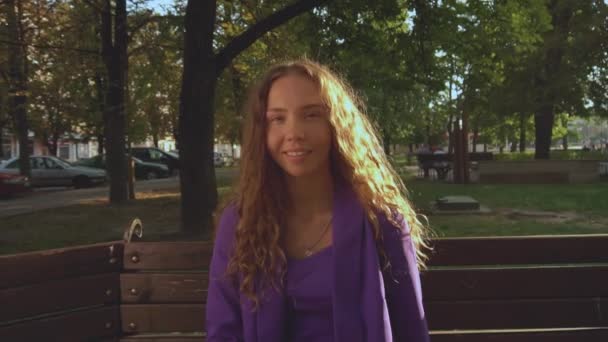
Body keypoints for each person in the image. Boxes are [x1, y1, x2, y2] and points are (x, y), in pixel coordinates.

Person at [206, 59, 430, 342]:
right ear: (262, 132)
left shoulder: (381, 221)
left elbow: (411, 328)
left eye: (311, 115)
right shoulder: (240, 223)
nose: (294, 133)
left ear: (337, 126)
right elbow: (223, 330)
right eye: (277, 118)